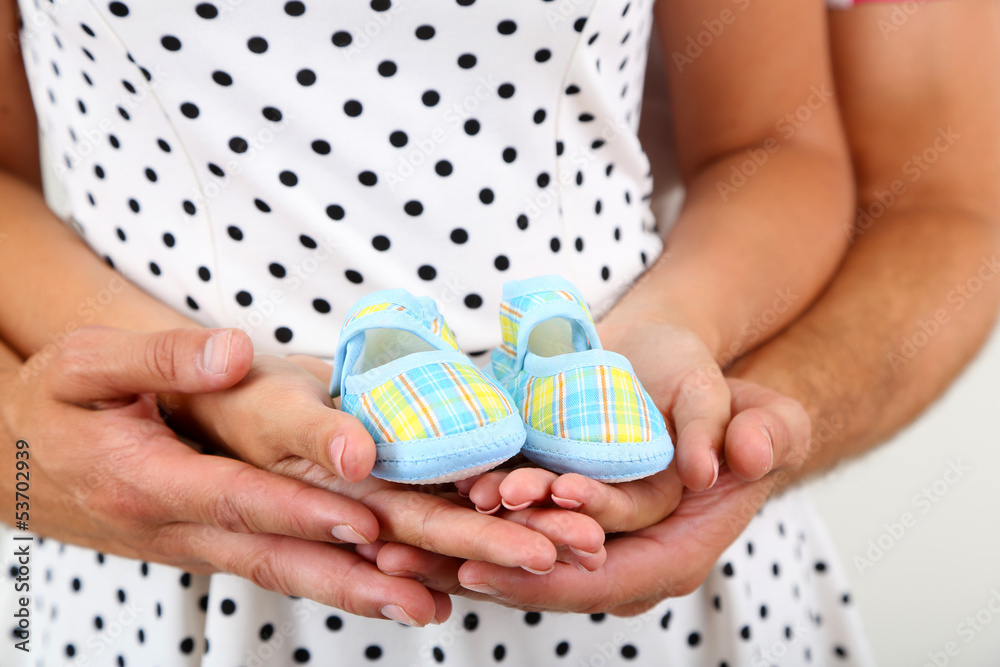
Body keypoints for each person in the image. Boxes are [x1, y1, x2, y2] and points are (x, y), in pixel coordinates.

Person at [0, 1, 997, 667]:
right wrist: (193, 389)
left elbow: (777, 140)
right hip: (146, 541)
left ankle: (552, 352)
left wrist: (676, 335)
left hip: (643, 558)